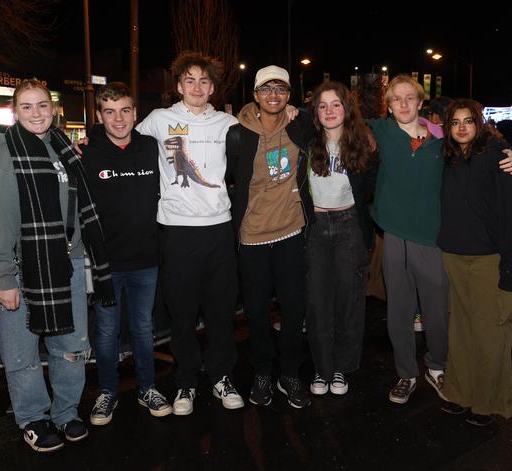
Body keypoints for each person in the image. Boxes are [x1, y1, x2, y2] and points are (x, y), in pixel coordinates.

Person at [366, 75, 512, 405]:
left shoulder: (441, 141)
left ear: (421, 102)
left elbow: (486, 145)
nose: (404, 104)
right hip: (393, 237)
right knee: (399, 311)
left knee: (437, 312)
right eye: (396, 99)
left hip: (432, 239)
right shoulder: (380, 131)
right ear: (388, 104)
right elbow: (334, 122)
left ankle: (437, 366)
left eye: (410, 97)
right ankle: (405, 373)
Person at [0, 79, 115, 452]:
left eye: (42, 105)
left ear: (53, 109)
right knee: (22, 354)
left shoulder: (64, 148)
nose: (36, 113)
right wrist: (4, 277)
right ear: (15, 111)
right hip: (23, 268)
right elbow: (1, 224)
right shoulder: (7, 155)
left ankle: (66, 412)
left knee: (71, 346)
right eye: (27, 107)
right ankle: (34, 417)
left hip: (69, 264)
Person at [134, 51, 244, 415]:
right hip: (177, 231)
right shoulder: (158, 120)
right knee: (181, 315)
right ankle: (185, 383)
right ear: (178, 85)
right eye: (190, 80)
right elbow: (124, 144)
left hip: (219, 229)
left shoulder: (228, 123)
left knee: (220, 312)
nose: (197, 87)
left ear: (213, 87)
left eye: (204, 81)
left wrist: (293, 112)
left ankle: (221, 377)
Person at [80, 82, 172, 426]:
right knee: (105, 333)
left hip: (146, 258)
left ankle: (147, 387)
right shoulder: (86, 151)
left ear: (135, 113)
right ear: (99, 116)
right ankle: (108, 393)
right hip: (105, 262)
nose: (118, 119)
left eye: (125, 111)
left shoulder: (151, 148)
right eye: (109, 111)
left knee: (142, 328)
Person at [225, 65, 315, 408]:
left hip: (292, 232)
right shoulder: (238, 133)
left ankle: (289, 373)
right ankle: (262, 371)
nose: (273, 96)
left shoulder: (300, 124)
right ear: (255, 95)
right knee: (258, 312)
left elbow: (339, 123)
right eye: (266, 89)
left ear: (289, 95)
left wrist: (301, 111)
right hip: (252, 237)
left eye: (280, 89)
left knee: (294, 309)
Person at [438, 99, 512, 426]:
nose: (462, 127)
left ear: (479, 124)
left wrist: (510, 273)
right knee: (460, 333)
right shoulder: (446, 159)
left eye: (468, 121)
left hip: (489, 260)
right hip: (454, 259)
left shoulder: (498, 157)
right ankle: (460, 394)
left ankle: (487, 403)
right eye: (455, 122)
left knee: (490, 335)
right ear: (448, 128)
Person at [305, 81, 376, 396]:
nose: (329, 111)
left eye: (335, 104)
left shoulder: (364, 144)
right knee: (318, 303)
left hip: (349, 225)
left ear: (347, 108)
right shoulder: (305, 142)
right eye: (322, 105)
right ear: (315, 111)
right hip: (316, 227)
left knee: (349, 302)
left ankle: (342, 369)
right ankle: (323, 369)